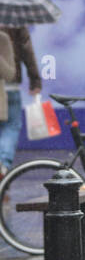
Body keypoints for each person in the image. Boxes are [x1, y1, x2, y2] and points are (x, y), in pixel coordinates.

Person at [0, 25, 41, 178]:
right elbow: (27, 50)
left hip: (8, 84)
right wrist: (35, 80)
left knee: (11, 126)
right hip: (11, 87)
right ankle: (3, 164)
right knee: (11, 127)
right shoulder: (14, 21)